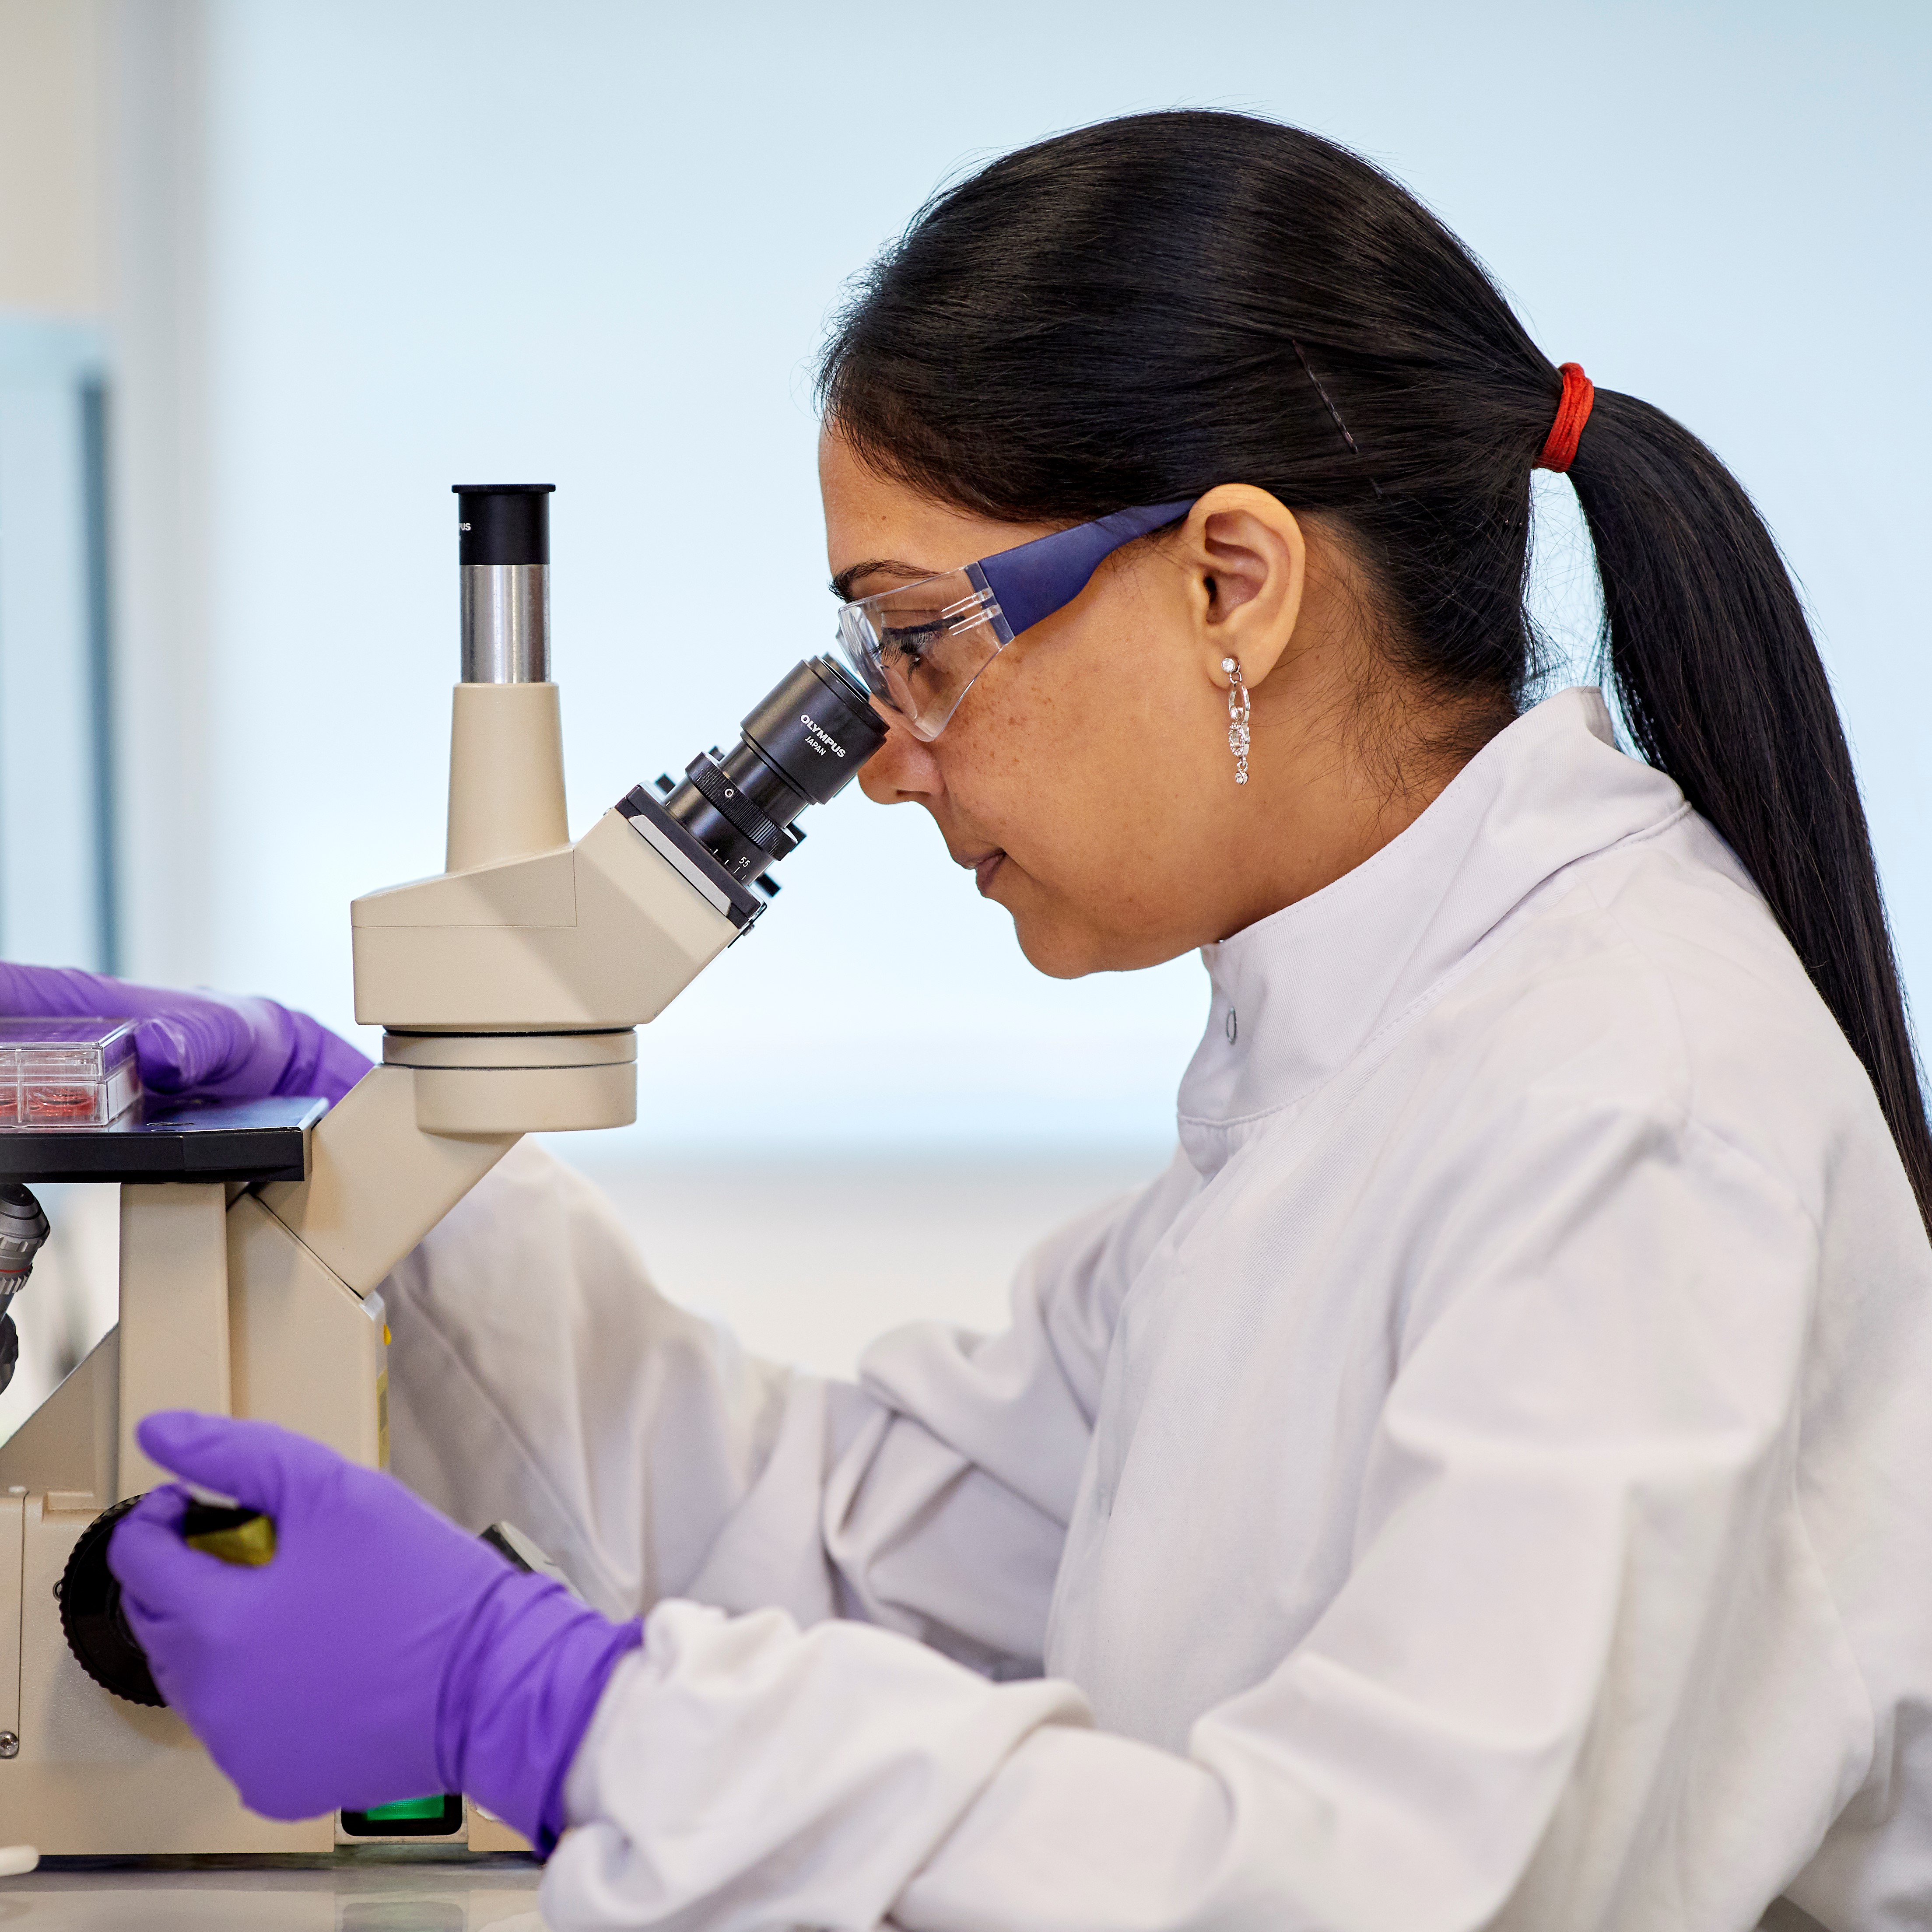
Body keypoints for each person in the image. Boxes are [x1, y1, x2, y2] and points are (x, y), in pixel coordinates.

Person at [8, 109, 1930, 1928]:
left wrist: (566, 1716)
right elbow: (837, 1541)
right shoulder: (1338, 1076)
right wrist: (382, 1171)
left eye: (919, 643)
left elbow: (1385, 1894)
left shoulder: (1628, 1106)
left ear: (1233, 586)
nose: (882, 767)